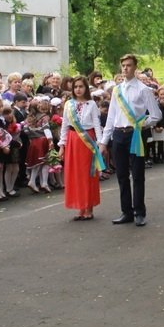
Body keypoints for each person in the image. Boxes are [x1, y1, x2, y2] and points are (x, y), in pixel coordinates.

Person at [100, 53, 163, 227]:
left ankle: (139, 212)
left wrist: (142, 124)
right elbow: (111, 116)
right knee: (121, 175)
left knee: (137, 175)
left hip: (135, 134)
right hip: (118, 135)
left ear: (135, 67)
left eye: (129, 65)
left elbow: (156, 115)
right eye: (123, 65)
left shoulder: (143, 89)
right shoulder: (117, 90)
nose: (125, 68)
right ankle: (126, 211)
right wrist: (104, 141)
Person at [58, 76, 104, 221]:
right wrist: (62, 145)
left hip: (87, 141)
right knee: (75, 175)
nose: (78, 89)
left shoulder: (92, 104)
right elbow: (64, 126)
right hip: (72, 141)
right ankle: (80, 206)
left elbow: (96, 124)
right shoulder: (68, 104)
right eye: (76, 87)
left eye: (81, 86)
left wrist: (100, 143)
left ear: (86, 88)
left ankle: (88, 207)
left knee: (87, 174)